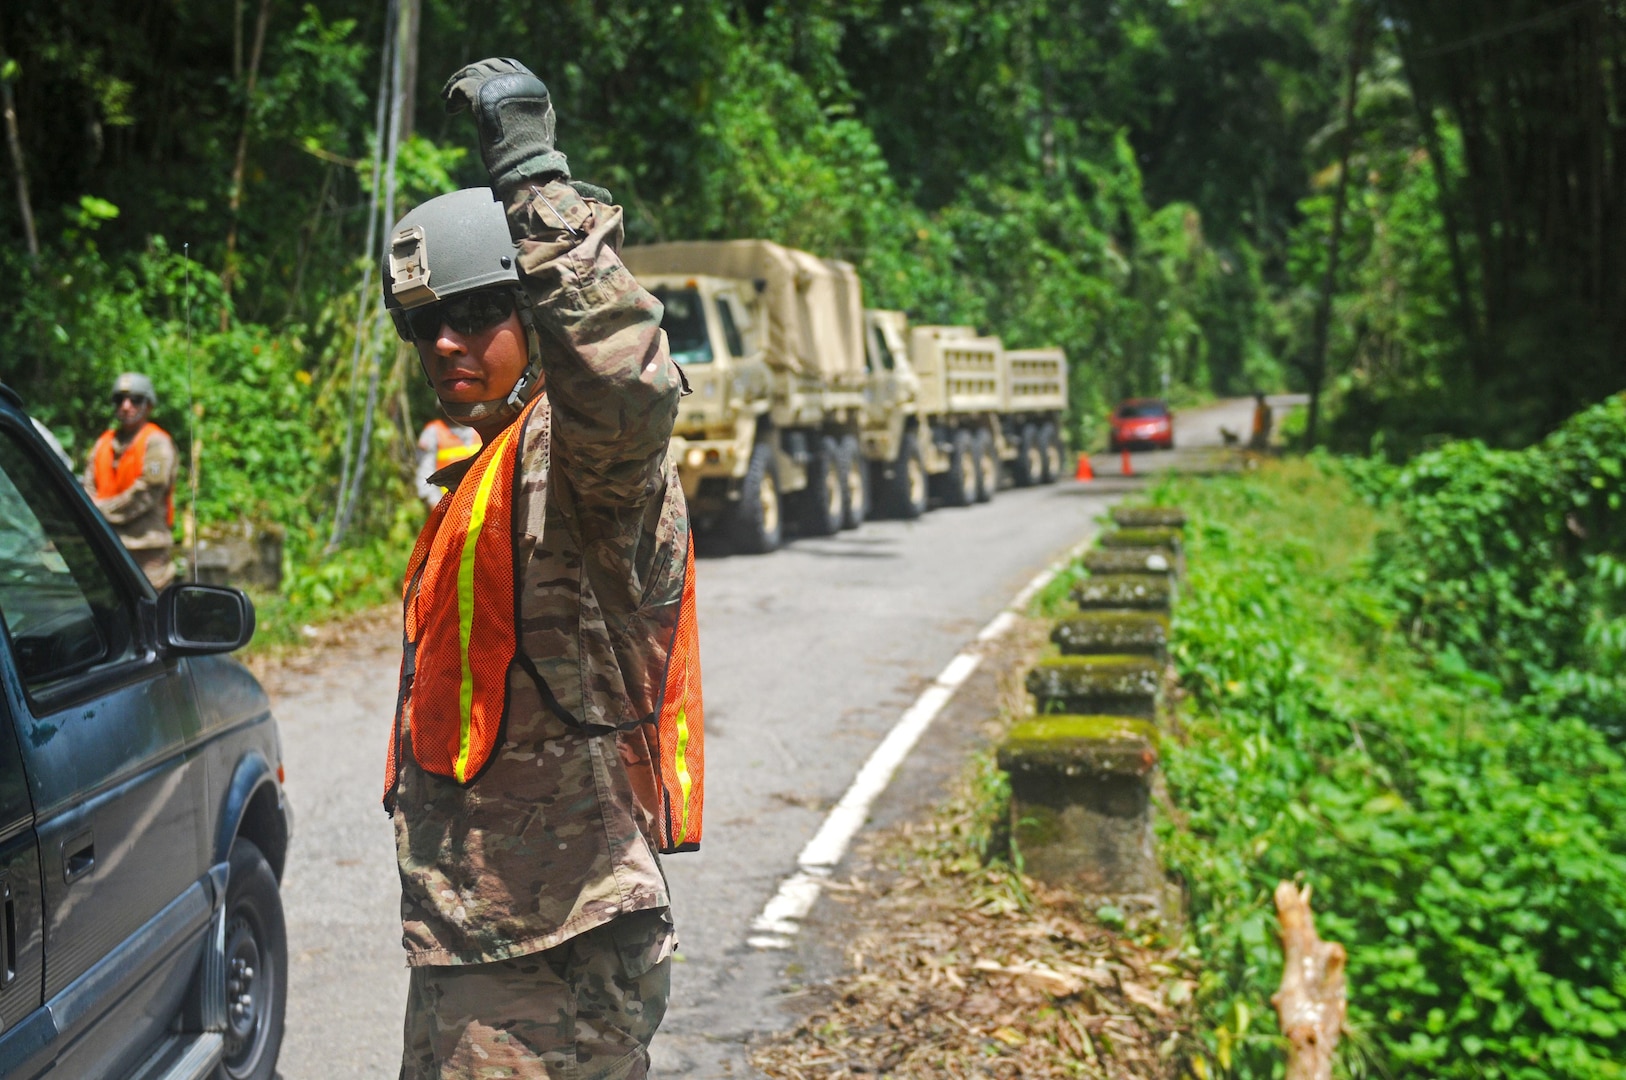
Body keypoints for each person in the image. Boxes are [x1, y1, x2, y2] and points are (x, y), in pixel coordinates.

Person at [382, 58, 702, 1080]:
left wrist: (532, 173)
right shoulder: (475, 472)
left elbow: (625, 375)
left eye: (476, 314)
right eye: (424, 324)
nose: (446, 343)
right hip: (472, 944)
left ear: (535, 314)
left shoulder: (582, 463)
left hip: (551, 954)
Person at [83, 373, 177, 588]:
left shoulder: (157, 442)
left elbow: (147, 493)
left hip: (145, 549)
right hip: (105, 544)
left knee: (150, 610)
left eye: (135, 400)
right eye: (119, 400)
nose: (126, 406)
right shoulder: (103, 442)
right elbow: (88, 486)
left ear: (149, 405)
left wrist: (99, 511)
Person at [414, 417, 481, 508]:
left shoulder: (482, 428)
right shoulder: (434, 431)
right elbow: (425, 471)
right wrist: (439, 509)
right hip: (448, 506)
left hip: (481, 505)